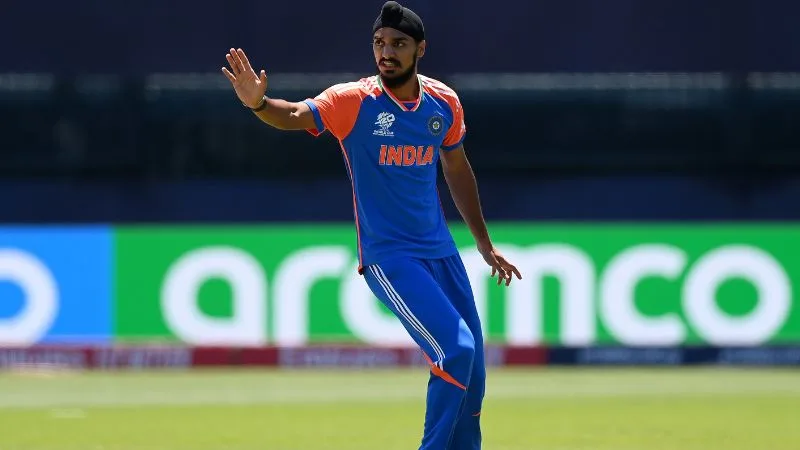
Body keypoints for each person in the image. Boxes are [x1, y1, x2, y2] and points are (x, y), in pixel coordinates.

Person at [222, 2, 521, 448]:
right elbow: (295, 115)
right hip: (390, 259)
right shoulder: (354, 101)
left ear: (420, 49)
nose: (387, 53)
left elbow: (456, 167)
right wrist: (259, 104)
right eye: (380, 43)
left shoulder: (443, 103)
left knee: (473, 374)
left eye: (398, 44)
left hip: (441, 253)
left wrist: (483, 242)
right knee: (455, 351)